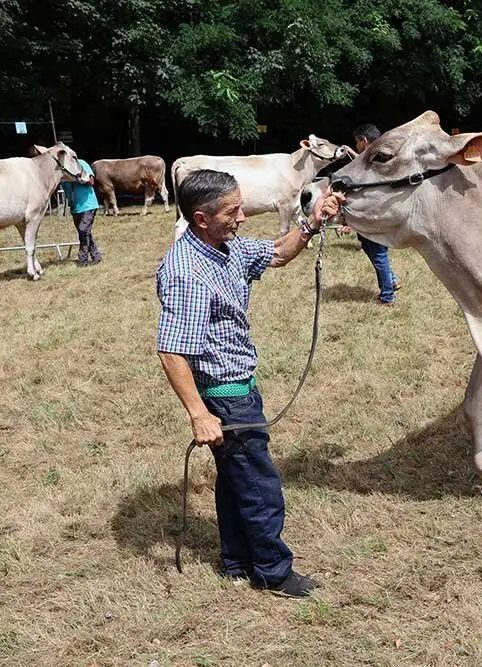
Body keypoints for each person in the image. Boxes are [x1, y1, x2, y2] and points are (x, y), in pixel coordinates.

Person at [156, 169, 340, 597]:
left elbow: (276, 253)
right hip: (225, 394)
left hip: (237, 385)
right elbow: (171, 351)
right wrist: (200, 415)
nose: (242, 216)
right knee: (259, 484)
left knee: (235, 479)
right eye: (232, 210)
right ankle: (274, 572)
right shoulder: (186, 271)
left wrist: (311, 223)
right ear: (202, 218)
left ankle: (236, 562)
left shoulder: (226, 245)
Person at [351, 123, 401, 305]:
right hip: (371, 212)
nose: (357, 146)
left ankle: (387, 296)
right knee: (366, 245)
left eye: (357, 142)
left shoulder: (376, 160)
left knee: (379, 253)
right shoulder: (382, 156)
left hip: (374, 213)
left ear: (364, 141)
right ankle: (392, 279)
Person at [61, 155, 101, 266]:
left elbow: (91, 181)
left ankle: (82, 259)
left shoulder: (81, 164)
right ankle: (96, 256)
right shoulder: (62, 171)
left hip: (88, 205)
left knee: (83, 230)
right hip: (75, 208)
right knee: (84, 232)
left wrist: (76, 177)